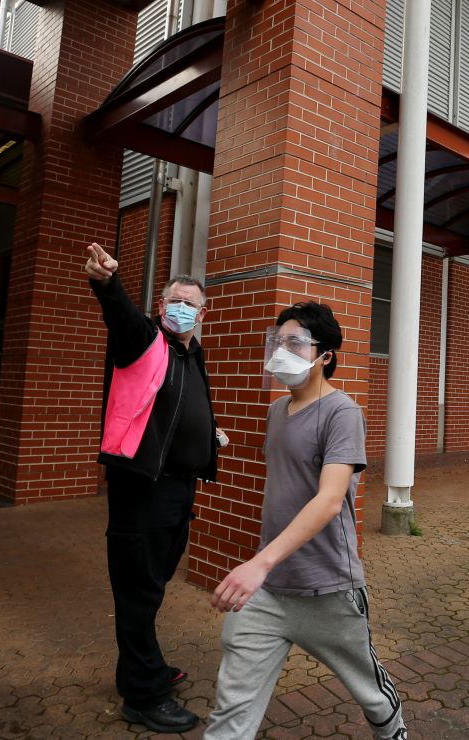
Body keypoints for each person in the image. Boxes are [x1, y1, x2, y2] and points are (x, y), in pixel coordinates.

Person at [205, 303, 406, 739]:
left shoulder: (342, 414)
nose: (281, 350)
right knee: (231, 707)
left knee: (370, 691)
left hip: (327, 587)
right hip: (268, 590)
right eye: (277, 341)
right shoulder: (277, 410)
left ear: (325, 356)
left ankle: (394, 732)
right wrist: (264, 566)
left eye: (294, 342)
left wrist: (258, 562)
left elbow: (330, 500)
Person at [85, 243, 222, 733]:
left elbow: (177, 410)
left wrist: (208, 437)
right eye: (175, 299)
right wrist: (107, 284)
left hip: (179, 492)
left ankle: (141, 669)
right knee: (137, 592)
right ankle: (143, 696)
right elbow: (121, 318)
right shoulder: (144, 340)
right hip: (142, 490)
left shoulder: (190, 354)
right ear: (162, 306)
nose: (183, 307)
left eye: (193, 302)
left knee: (151, 585)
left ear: (203, 313)